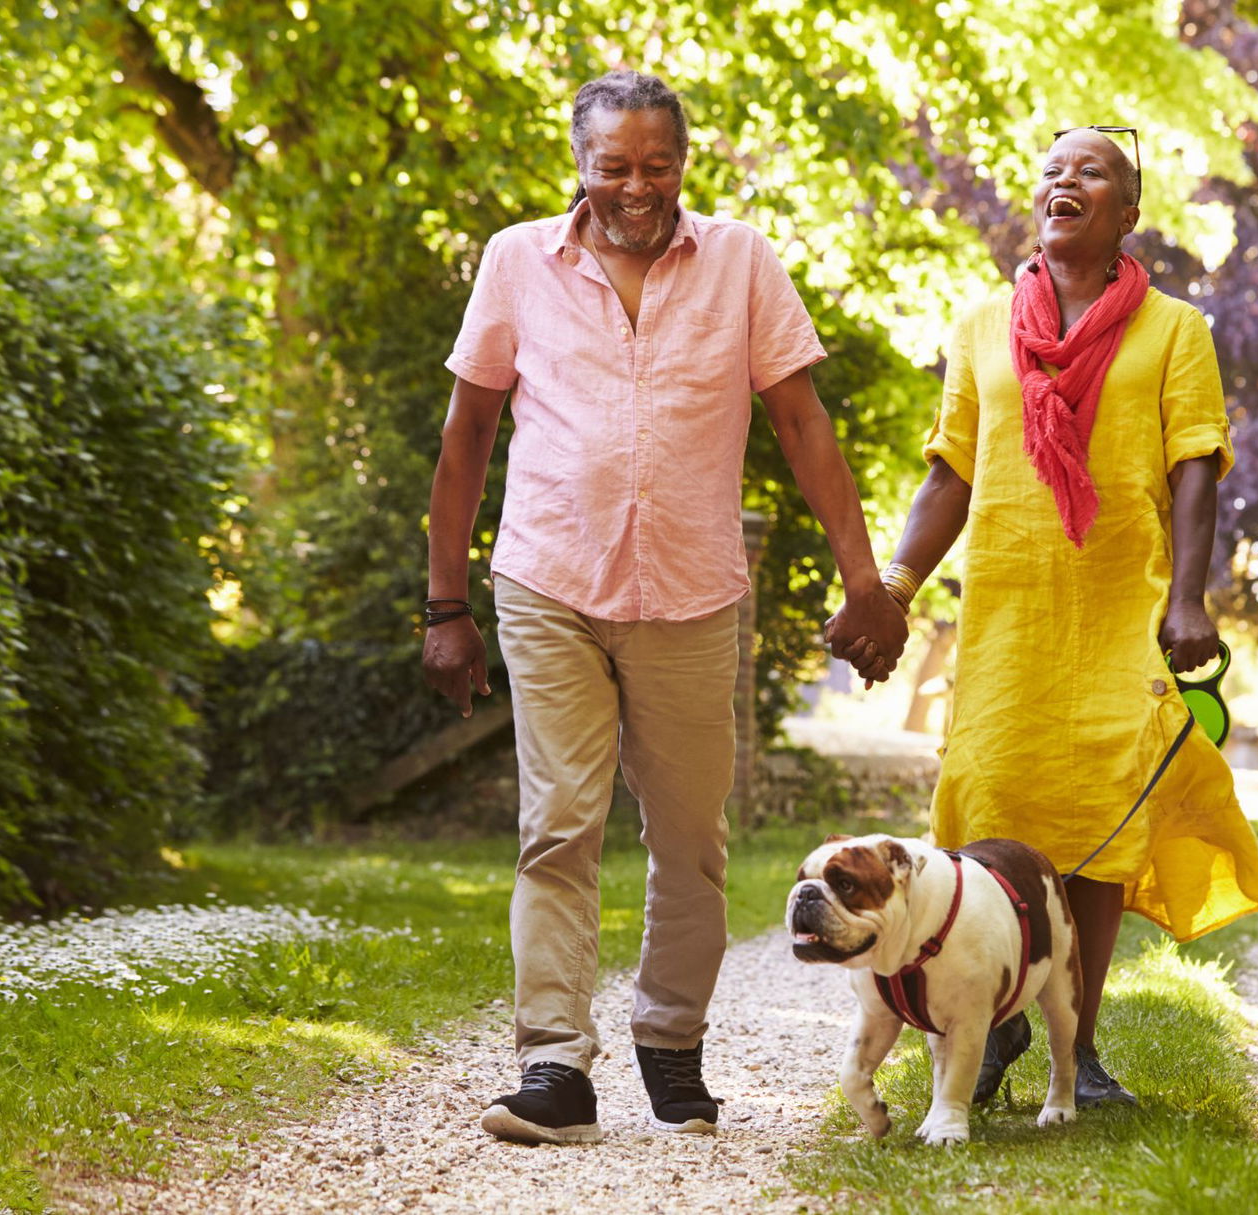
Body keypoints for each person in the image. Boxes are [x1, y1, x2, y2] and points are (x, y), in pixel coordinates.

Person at [423, 70, 907, 1146]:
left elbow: (801, 422)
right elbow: (466, 436)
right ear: (579, 168)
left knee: (690, 839)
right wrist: (443, 604)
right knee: (558, 828)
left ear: (683, 164)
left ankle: (670, 1042)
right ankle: (554, 1066)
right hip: (549, 580)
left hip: (689, 596)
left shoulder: (740, 262)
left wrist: (862, 579)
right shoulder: (517, 261)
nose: (637, 188)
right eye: (613, 168)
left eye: (657, 166)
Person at [841, 127, 1258, 1107]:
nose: (1063, 181)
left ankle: (1076, 1051)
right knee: (988, 811)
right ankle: (986, 1032)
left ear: (1128, 213)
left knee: (1098, 830)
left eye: (1093, 171)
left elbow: (1194, 466)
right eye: (1051, 170)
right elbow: (951, 471)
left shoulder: (1174, 331)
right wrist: (896, 588)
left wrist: (1190, 599)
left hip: (1120, 612)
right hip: (1006, 618)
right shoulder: (981, 325)